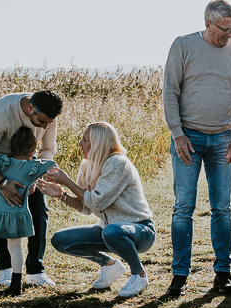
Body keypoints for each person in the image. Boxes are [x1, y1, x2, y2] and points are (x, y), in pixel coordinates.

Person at [163, 0, 231, 297]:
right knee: (183, 207)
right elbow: (171, 92)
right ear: (207, 24)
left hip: (223, 139)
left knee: (222, 209)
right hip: (188, 137)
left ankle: (222, 273)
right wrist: (177, 134)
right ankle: (179, 275)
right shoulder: (182, 46)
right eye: (225, 29)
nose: (230, 35)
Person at [47, 122, 156, 298]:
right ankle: (110, 265)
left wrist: (67, 181)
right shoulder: (87, 165)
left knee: (112, 231)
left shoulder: (118, 163)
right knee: (60, 239)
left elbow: (96, 202)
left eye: (84, 140)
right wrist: (62, 194)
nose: (80, 144)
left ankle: (140, 275)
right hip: (109, 230)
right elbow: (86, 206)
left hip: (140, 230)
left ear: (98, 143)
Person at [0, 89, 64, 288]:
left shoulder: (47, 115)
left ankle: (35, 270)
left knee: (39, 212)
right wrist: (2, 183)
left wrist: (33, 175)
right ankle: (6, 270)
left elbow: (47, 150)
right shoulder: (2, 113)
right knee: (2, 214)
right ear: (30, 108)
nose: (44, 126)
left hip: (29, 165)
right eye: (41, 122)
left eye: (48, 123)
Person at [0, 127, 58, 296]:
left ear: (11, 148)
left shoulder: (2, 162)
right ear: (33, 151)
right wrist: (36, 178)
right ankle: (16, 283)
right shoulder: (32, 167)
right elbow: (52, 165)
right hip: (13, 214)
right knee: (15, 248)